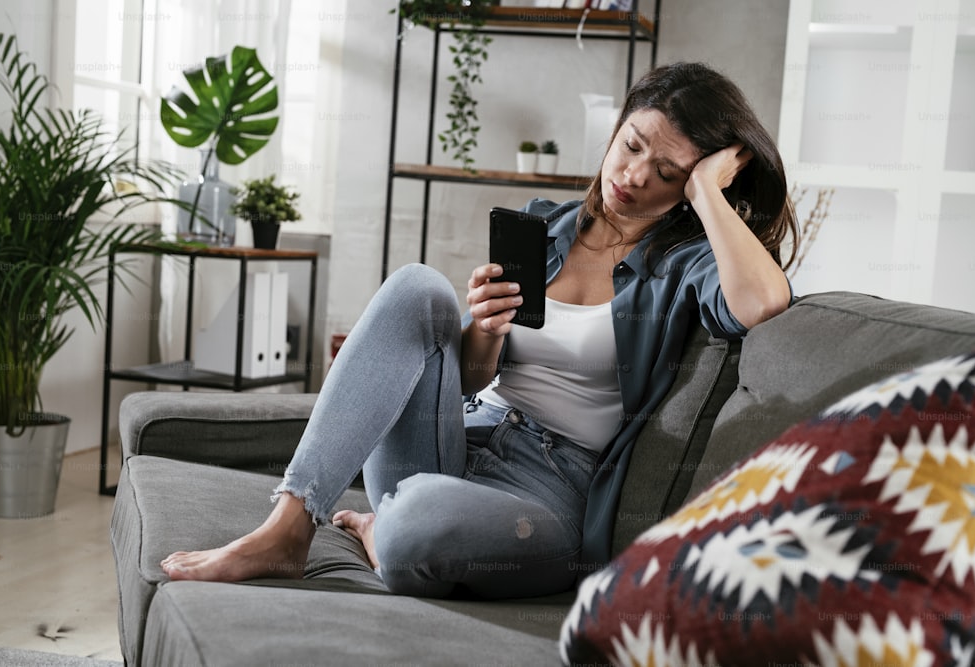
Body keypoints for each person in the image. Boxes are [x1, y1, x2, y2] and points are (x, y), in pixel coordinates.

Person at [160, 62, 799, 599]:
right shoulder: (544, 228)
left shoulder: (686, 262)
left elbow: (765, 304)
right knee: (418, 287)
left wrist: (710, 192)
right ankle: (288, 527)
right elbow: (469, 377)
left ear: (691, 185)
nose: (633, 177)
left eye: (668, 172)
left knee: (411, 524)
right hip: (460, 439)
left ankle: (382, 527)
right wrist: (487, 331)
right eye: (632, 146)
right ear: (616, 130)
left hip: (550, 491)